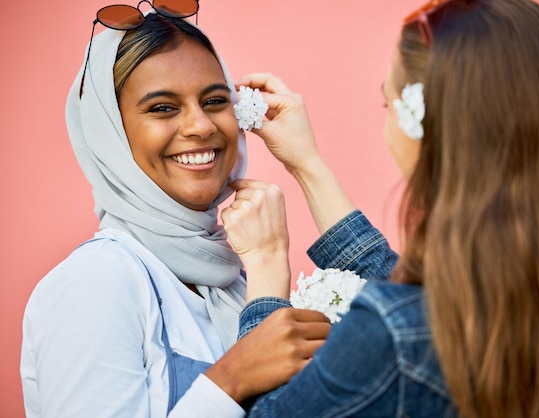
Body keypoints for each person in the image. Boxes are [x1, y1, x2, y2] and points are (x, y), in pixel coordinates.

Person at [218, 0, 539, 416]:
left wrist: (267, 266)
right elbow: (417, 298)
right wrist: (307, 165)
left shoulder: (394, 335)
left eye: (387, 103)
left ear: (420, 121)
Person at [20, 7, 330, 418]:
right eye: (162, 108)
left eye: (215, 100)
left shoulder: (234, 281)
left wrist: (306, 164)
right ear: (109, 132)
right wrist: (232, 377)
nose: (201, 126)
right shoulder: (97, 282)